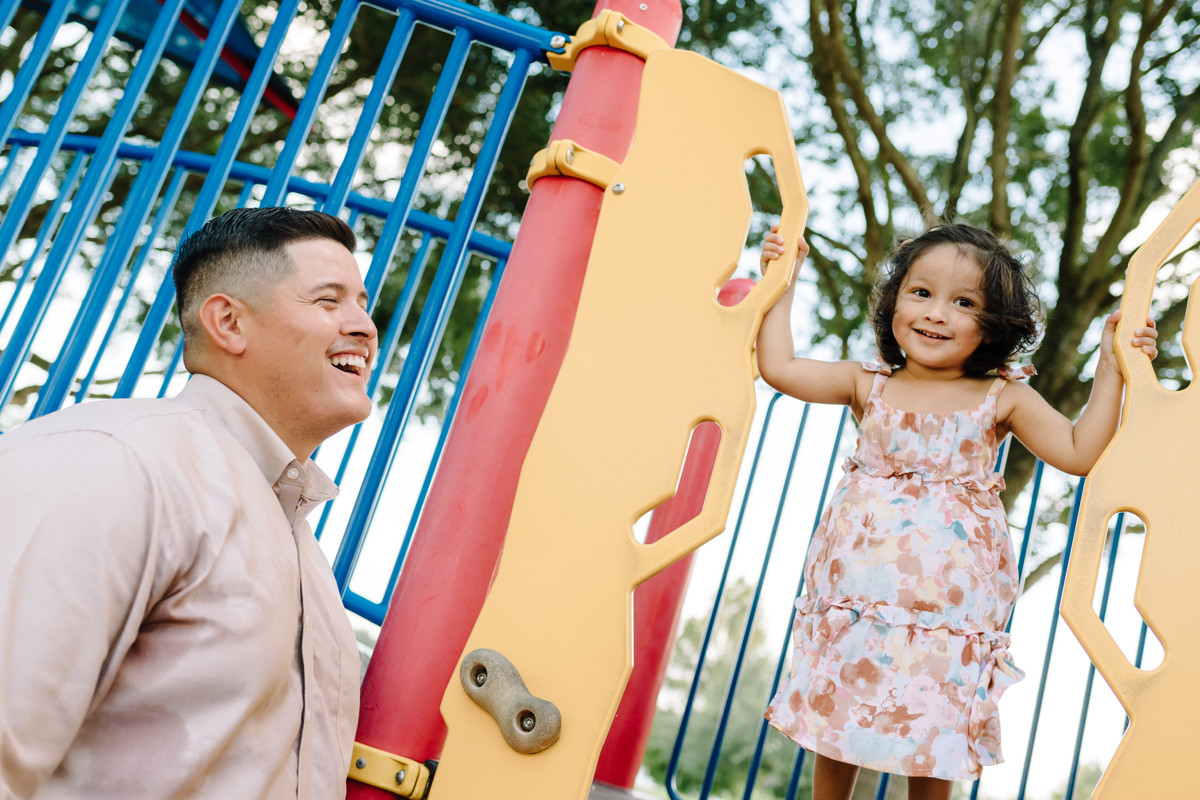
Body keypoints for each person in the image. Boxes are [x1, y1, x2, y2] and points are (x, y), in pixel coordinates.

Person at [755, 224, 1158, 800]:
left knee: (934, 732)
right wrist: (783, 277)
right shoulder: (867, 384)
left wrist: (1112, 368)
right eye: (921, 293)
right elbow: (779, 366)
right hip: (858, 602)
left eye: (964, 302)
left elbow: (1077, 452)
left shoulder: (1002, 398)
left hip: (948, 615)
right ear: (895, 299)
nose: (936, 313)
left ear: (993, 327)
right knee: (836, 718)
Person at [0, 207, 378, 799]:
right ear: (228, 322)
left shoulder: (303, 553)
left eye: (362, 302)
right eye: (328, 301)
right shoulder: (117, 458)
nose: (363, 325)